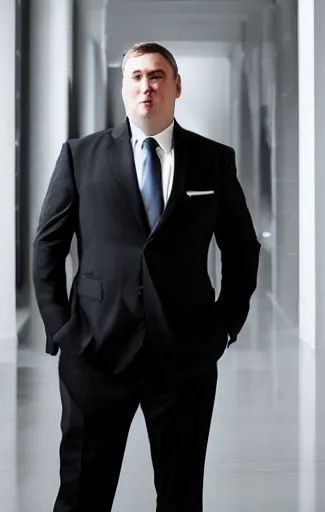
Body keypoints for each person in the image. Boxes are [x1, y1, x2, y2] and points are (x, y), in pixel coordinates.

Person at [32, 41, 261, 512]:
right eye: (135, 76)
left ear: (176, 86)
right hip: (95, 352)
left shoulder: (213, 160)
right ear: (123, 88)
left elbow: (242, 248)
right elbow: (48, 248)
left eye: (157, 76)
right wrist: (62, 330)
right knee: (80, 494)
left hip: (184, 355)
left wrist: (224, 327)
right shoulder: (80, 156)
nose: (146, 86)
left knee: (180, 497)